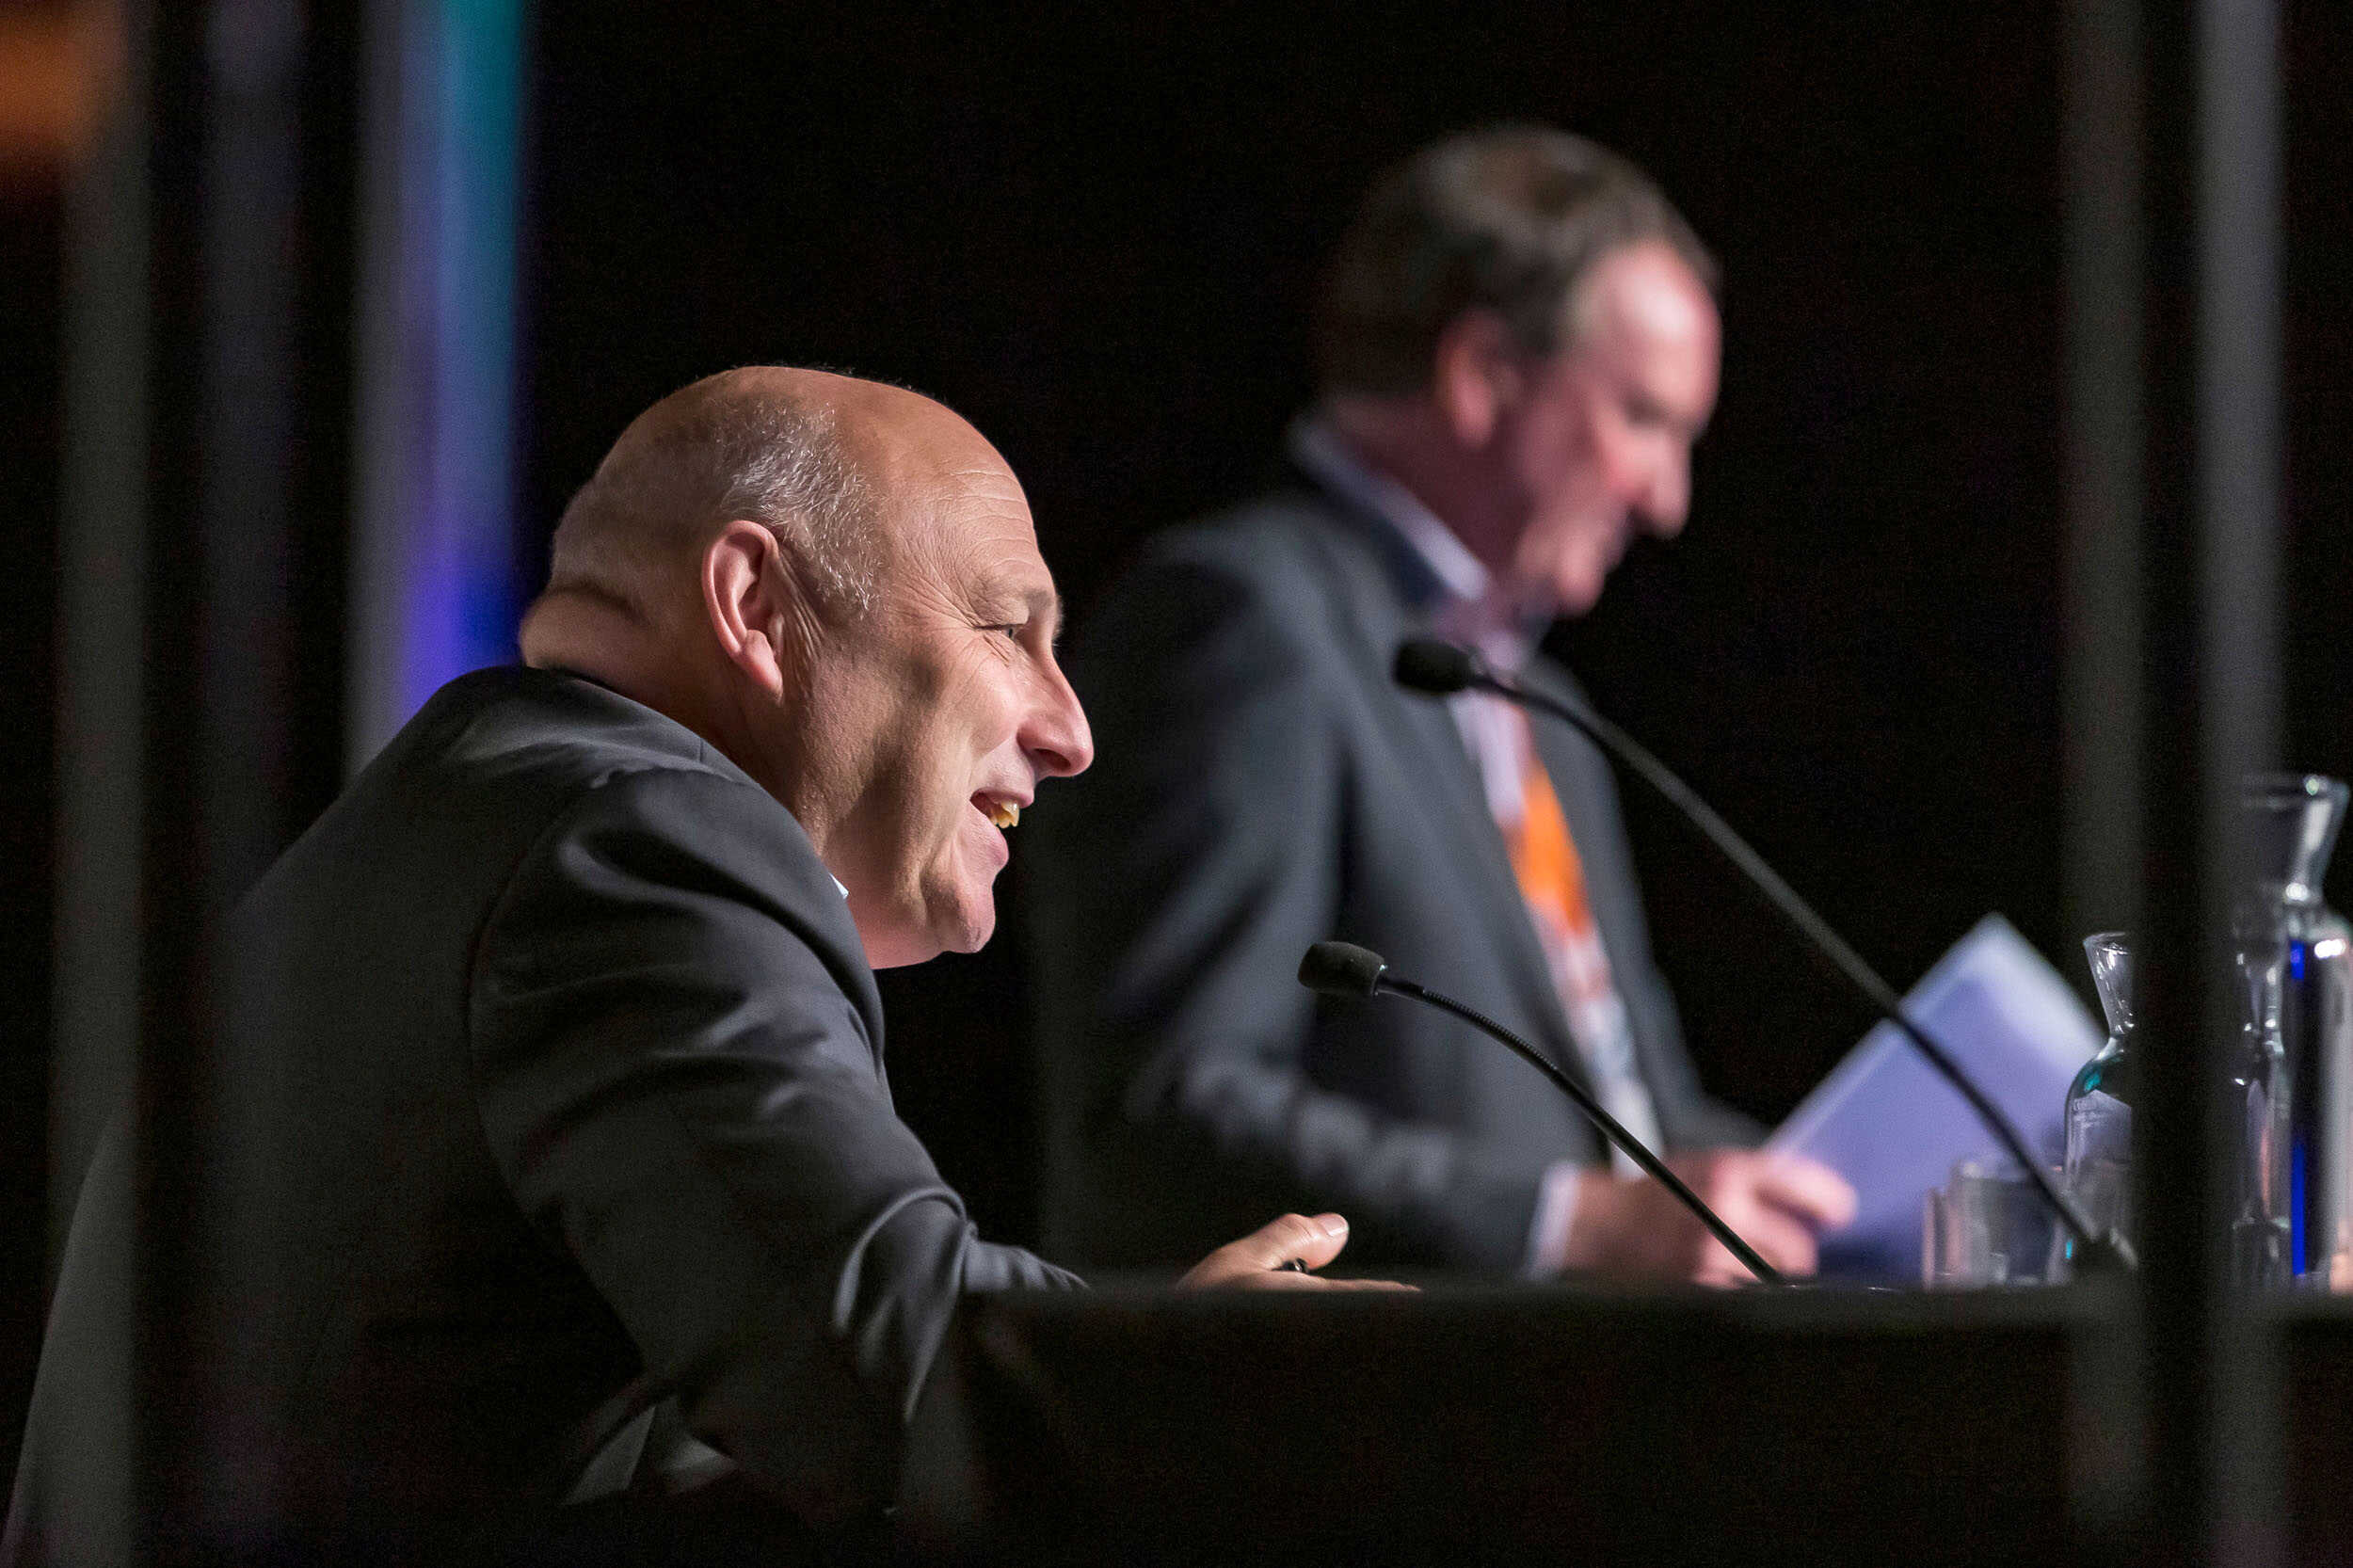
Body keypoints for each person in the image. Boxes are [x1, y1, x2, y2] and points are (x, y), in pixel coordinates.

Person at [5, 369, 1387, 1567]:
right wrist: (1192, 1371)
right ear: (754, 601)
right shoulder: (637, 840)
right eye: (1004, 627)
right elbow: (878, 1373)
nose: (1072, 728)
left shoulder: (504, 807)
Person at [1027, 125, 1854, 1285]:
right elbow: (1168, 1109)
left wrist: (1897, 1199)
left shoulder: (1531, 698)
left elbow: (1635, 1114)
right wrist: (1567, 1226)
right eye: (1643, 421)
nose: (1666, 500)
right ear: (1480, 376)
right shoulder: (1245, 623)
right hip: (1368, 1426)